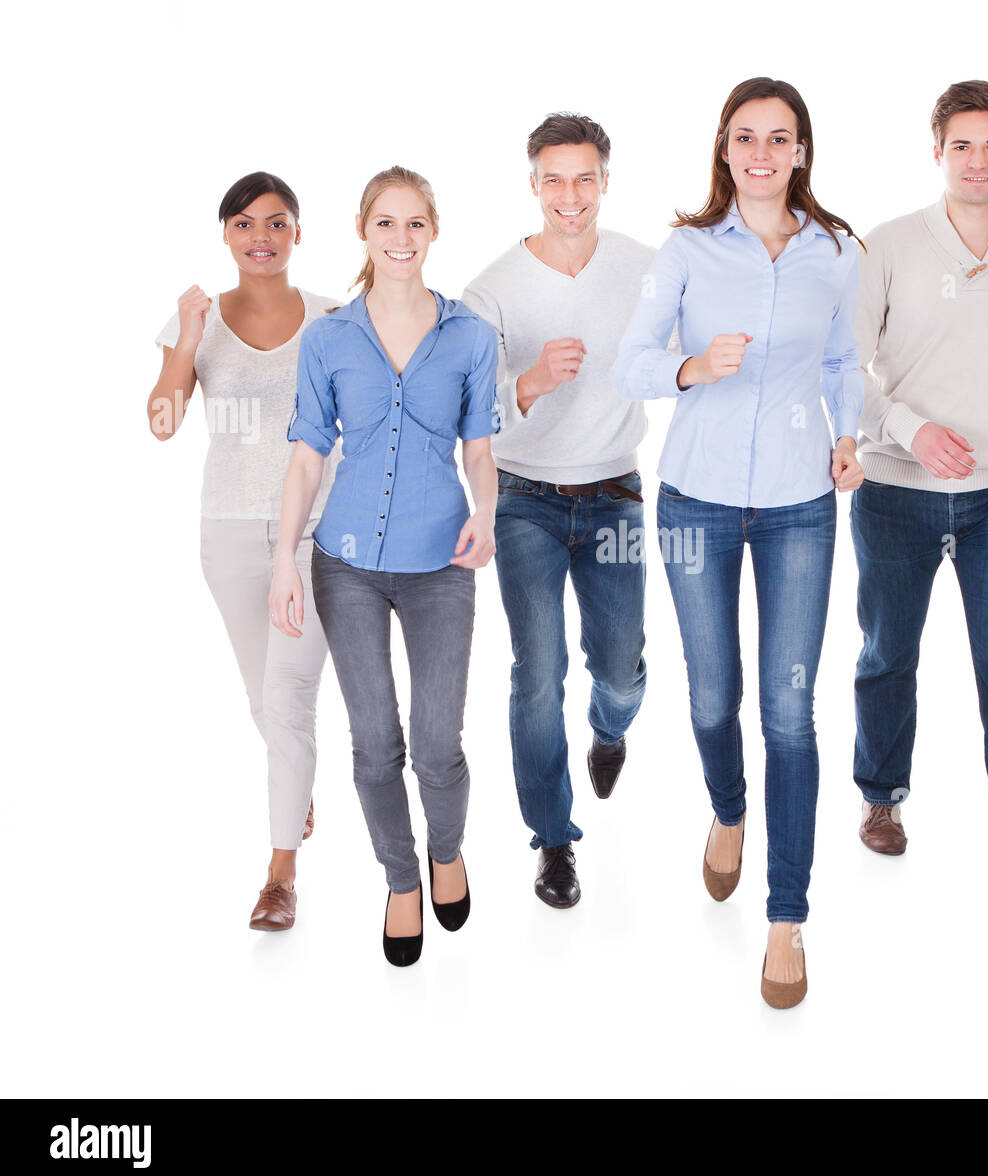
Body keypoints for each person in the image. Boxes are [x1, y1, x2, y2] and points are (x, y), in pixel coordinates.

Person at [614, 77, 865, 1008]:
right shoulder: (684, 249)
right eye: (746, 137)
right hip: (697, 504)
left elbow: (844, 362)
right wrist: (691, 365)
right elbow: (629, 363)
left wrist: (848, 436)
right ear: (725, 150)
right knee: (715, 693)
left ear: (802, 151)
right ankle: (728, 809)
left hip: (803, 502)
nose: (763, 153)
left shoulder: (837, 253)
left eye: (781, 138)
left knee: (789, 711)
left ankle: (786, 916)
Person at [850, 80, 988, 923]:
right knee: (886, 656)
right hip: (895, 491)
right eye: (961, 146)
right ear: (937, 152)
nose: (976, 162)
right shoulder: (887, 247)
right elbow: (847, 373)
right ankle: (881, 793)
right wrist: (910, 430)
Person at [269, 165, 500, 966]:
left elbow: (480, 449)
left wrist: (487, 513)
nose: (402, 240)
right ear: (363, 233)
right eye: (386, 225)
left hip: (442, 563)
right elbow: (306, 457)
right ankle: (402, 878)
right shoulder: (328, 338)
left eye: (416, 224)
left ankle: (446, 851)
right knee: (375, 742)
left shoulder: (470, 336)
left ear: (434, 232)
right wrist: (284, 563)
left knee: (438, 743)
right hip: (348, 568)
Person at [461, 113, 654, 908]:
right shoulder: (494, 288)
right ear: (532, 184)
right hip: (525, 503)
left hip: (614, 493)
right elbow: (466, 413)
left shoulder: (649, 268)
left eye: (584, 179)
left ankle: (609, 730)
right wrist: (530, 383)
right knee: (537, 672)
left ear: (605, 181)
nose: (568, 196)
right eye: (553, 180)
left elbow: (688, 356)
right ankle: (554, 840)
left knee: (621, 664)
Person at [148, 171, 341, 932]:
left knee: (288, 697)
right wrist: (188, 343)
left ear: (297, 232)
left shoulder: (334, 316)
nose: (260, 235)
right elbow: (162, 421)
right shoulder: (195, 319)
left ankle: (279, 875)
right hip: (228, 531)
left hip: (320, 533)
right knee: (264, 700)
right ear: (225, 235)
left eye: (276, 222)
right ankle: (295, 793)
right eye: (243, 223)